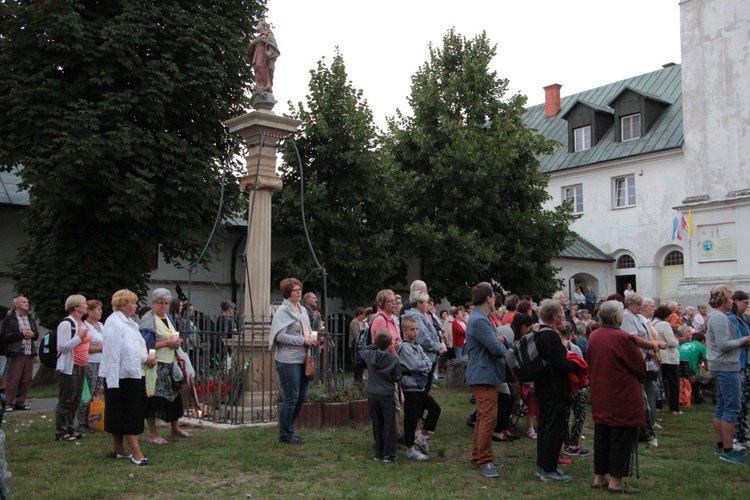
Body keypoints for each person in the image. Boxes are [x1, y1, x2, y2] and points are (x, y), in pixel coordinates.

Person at [589, 300, 646, 494]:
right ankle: (616, 480)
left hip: (600, 391)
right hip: (620, 393)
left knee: (602, 434)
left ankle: (599, 476)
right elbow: (639, 366)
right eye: (621, 314)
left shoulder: (594, 335)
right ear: (616, 318)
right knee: (621, 435)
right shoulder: (623, 338)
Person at [100, 289, 156, 465]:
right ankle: (136, 453)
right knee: (128, 412)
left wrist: (144, 357)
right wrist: (145, 358)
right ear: (122, 305)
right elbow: (118, 350)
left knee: (122, 411)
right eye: (132, 303)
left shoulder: (129, 322)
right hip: (122, 375)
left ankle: (118, 448)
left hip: (133, 372)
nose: (135, 306)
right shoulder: (114, 322)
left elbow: (135, 346)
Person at [464, 282, 506, 478]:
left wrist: (500, 340)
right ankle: (484, 461)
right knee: (489, 418)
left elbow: (497, 340)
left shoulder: (481, 318)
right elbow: (496, 348)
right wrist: (502, 344)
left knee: (484, 418)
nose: (496, 300)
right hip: (483, 375)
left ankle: (477, 456)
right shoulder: (479, 320)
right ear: (489, 298)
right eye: (494, 297)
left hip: (484, 374)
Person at [139, 288, 192, 445]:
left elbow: (171, 334)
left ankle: (174, 427)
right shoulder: (148, 320)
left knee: (173, 395)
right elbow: (145, 345)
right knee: (153, 398)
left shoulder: (168, 317)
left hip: (170, 363)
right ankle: (153, 433)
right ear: (153, 303)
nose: (164, 306)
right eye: (160, 303)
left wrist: (176, 342)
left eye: (166, 303)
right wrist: (166, 343)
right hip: (155, 363)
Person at [269, 278, 318, 444]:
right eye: (295, 290)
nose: (299, 292)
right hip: (287, 359)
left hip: (303, 357)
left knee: (302, 396)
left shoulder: (303, 310)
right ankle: (285, 434)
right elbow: (280, 337)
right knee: (292, 396)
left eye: (300, 289)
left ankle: (288, 428)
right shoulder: (282, 311)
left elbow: (308, 330)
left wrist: (311, 338)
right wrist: (303, 340)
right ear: (287, 293)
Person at [705, 285, 750, 463]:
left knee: (723, 406)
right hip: (726, 366)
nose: (732, 301)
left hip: (723, 365)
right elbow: (724, 344)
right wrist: (743, 340)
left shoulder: (716, 317)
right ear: (724, 300)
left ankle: (721, 445)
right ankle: (728, 450)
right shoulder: (719, 318)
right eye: (731, 298)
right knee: (731, 408)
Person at [533, 299, 576, 483]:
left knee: (544, 427)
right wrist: (573, 363)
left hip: (543, 386)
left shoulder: (540, 332)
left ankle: (543, 465)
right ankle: (549, 468)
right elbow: (561, 364)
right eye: (561, 313)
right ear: (555, 316)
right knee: (554, 428)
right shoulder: (551, 335)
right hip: (554, 388)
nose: (563, 316)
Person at [398, 317, 437, 461]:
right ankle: (410, 448)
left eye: (417, 329)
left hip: (420, 386)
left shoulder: (418, 346)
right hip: (411, 387)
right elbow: (415, 365)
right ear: (404, 330)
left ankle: (422, 437)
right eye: (412, 329)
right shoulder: (404, 347)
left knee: (435, 409)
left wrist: (423, 365)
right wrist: (423, 366)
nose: (415, 332)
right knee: (411, 417)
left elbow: (427, 362)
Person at [363, 330, 402, 463]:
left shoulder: (369, 355)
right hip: (387, 394)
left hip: (372, 393)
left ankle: (378, 451)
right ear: (390, 343)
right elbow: (397, 377)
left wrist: (374, 345)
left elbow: (364, 348)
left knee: (377, 422)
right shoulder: (393, 359)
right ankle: (389, 453)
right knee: (389, 424)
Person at [54, 295, 90, 441]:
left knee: (75, 399)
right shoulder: (67, 324)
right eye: (84, 304)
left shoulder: (82, 323)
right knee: (66, 399)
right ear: (76, 307)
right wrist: (79, 338)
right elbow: (61, 347)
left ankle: (70, 427)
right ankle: (61, 431)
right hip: (70, 366)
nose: (86, 306)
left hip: (81, 365)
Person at [0, 296, 39, 412]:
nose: (27, 304)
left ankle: (20, 402)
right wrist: (21, 334)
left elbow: (36, 333)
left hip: (29, 352)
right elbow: (4, 335)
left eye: (27, 301)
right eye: (24, 302)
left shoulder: (30, 318)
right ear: (17, 305)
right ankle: (9, 402)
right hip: (16, 352)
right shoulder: (10, 319)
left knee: (26, 379)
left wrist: (33, 334)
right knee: (14, 378)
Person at [76, 299, 105, 431]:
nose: (100, 312)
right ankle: (82, 421)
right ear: (89, 311)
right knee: (89, 392)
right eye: (97, 309)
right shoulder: (85, 326)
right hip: (91, 362)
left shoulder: (101, 325)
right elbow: (83, 346)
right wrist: (100, 348)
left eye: (100, 309)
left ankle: (95, 418)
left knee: (98, 393)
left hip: (102, 362)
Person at [726, 291, 750, 448]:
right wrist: (746, 340)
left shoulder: (743, 318)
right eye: (745, 303)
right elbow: (737, 339)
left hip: (744, 362)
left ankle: (742, 434)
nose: (746, 306)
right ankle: (734, 436)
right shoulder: (730, 318)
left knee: (744, 401)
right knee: (736, 401)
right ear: (735, 301)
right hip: (735, 364)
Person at [652, 305, 682, 414]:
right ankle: (674, 407)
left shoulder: (652, 323)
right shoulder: (665, 325)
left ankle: (658, 406)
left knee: (660, 382)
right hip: (668, 357)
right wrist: (677, 340)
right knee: (673, 383)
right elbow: (671, 342)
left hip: (659, 356)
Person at [247, 20, 280, 92]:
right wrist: (252, 44)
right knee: (256, 68)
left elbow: (272, 45)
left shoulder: (268, 35)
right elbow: (250, 49)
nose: (257, 26)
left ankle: (267, 84)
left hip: (263, 53)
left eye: (258, 25)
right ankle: (259, 84)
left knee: (261, 66)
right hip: (256, 53)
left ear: (263, 27)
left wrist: (270, 52)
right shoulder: (258, 37)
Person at [350, 307, 367, 382]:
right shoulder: (354, 322)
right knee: (357, 361)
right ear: (358, 314)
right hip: (355, 344)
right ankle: (357, 379)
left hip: (361, 344)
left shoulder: (362, 322)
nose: (363, 317)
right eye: (362, 315)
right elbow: (356, 333)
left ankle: (361, 376)